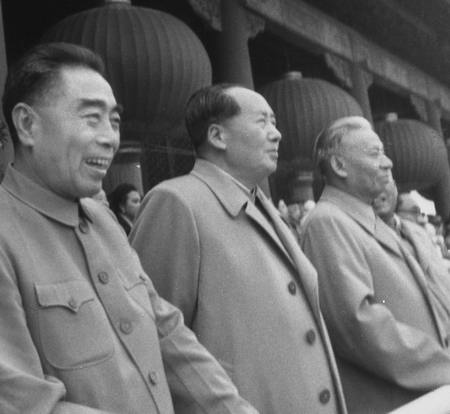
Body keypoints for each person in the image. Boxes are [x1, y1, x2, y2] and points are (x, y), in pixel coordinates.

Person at [0, 42, 258, 414]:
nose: (110, 137)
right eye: (91, 118)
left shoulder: (104, 222)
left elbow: (167, 334)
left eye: (114, 120)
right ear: (27, 125)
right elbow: (25, 404)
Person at [130, 83, 347, 414]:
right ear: (218, 136)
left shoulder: (263, 205)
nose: (276, 134)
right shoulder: (176, 202)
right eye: (263, 122)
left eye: (275, 122)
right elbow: (156, 334)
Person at [301, 115, 450, 414]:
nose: (388, 163)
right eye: (375, 153)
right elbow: (359, 322)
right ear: (339, 166)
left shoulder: (370, 221)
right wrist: (442, 366)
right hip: (399, 401)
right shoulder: (326, 222)